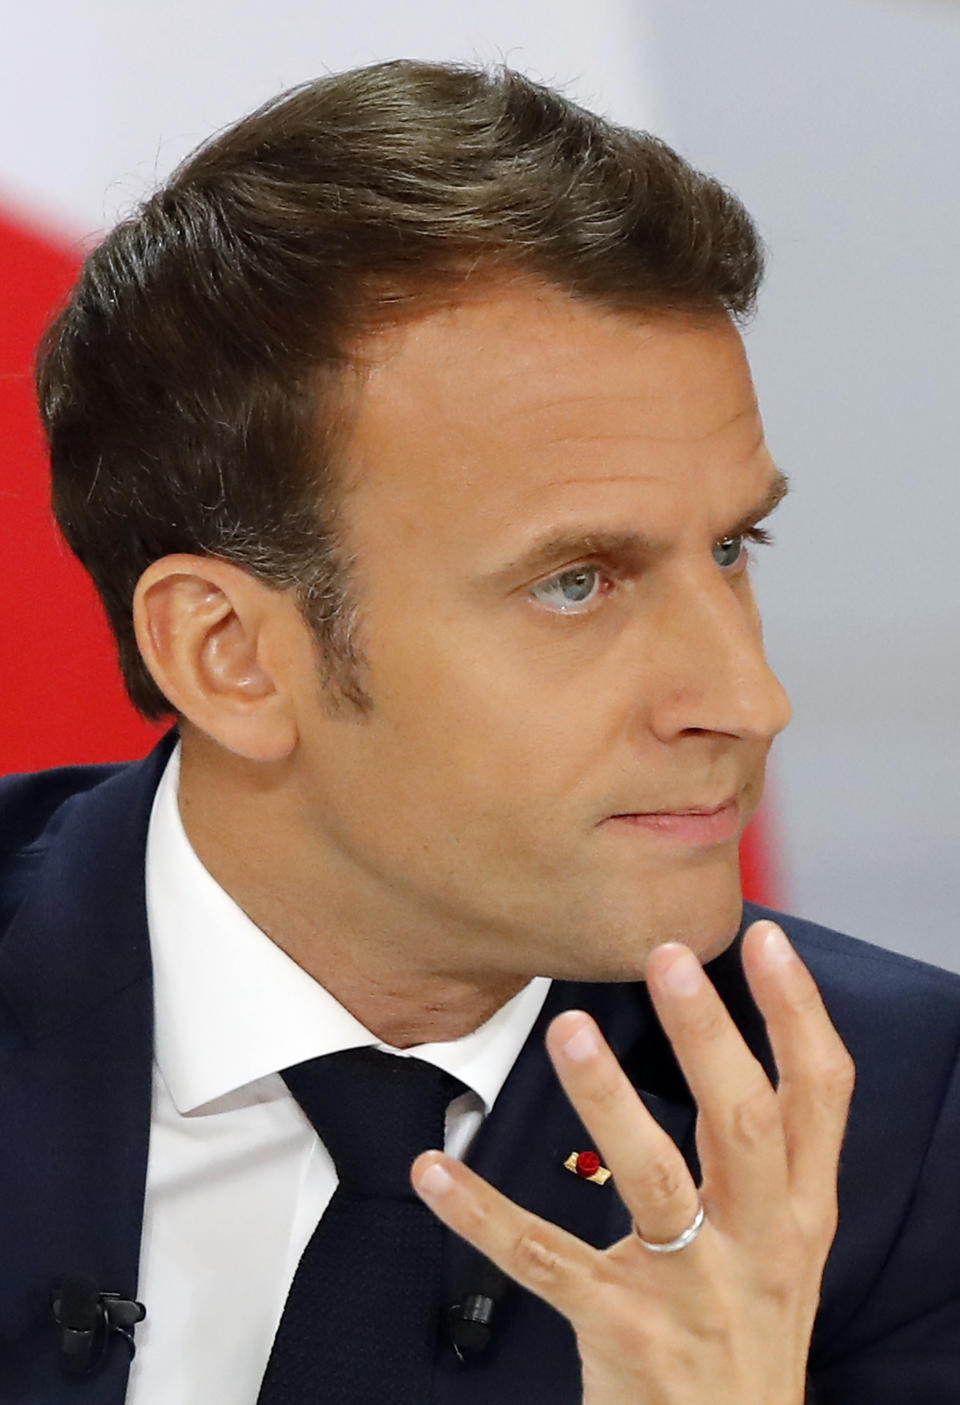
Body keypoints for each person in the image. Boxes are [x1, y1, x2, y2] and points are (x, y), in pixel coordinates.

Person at [1, 59, 957, 1405]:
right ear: (231, 657)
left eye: (735, 546)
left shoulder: (904, 1127)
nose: (749, 698)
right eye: (577, 580)